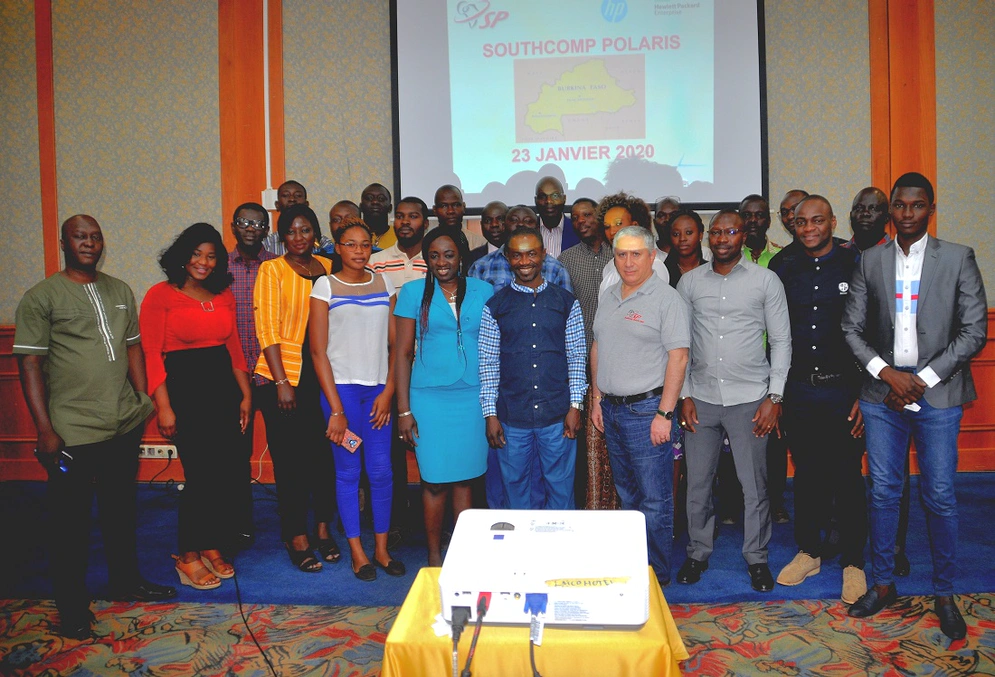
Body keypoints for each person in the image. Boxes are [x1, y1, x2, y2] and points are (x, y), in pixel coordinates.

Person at [14, 215, 175, 639]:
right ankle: (71, 607)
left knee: (121, 512)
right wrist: (44, 429)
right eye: (80, 237)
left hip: (123, 422)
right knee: (70, 525)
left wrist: (142, 401)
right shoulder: (42, 296)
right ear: (64, 242)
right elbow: (29, 362)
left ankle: (125, 580)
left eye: (95, 236)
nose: (89, 243)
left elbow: (134, 348)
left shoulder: (119, 290)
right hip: (72, 430)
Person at [843, 172, 987, 640]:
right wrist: (887, 374)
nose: (907, 214)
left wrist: (920, 380)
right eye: (900, 206)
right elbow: (852, 329)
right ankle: (883, 584)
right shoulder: (870, 260)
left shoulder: (959, 258)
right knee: (883, 491)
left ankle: (944, 592)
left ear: (930, 208)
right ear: (891, 212)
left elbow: (973, 332)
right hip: (882, 396)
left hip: (938, 395)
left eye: (916, 205)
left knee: (940, 495)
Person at [676, 209, 791, 593]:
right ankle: (698, 552)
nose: (723, 238)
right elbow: (680, 344)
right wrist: (684, 395)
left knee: (754, 486)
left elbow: (781, 342)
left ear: (744, 236)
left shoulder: (766, 280)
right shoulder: (689, 283)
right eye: (717, 232)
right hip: (701, 398)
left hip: (750, 399)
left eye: (731, 232)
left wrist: (774, 397)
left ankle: (757, 558)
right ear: (709, 237)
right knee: (697, 484)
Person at [141, 223, 253, 590]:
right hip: (184, 393)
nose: (203, 263)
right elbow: (151, 356)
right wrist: (164, 407)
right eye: (196, 254)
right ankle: (187, 555)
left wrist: (245, 394)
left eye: (211, 256)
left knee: (223, 474)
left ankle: (210, 543)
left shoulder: (222, 293)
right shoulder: (161, 295)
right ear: (183, 256)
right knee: (201, 474)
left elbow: (234, 347)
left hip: (223, 390)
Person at [772, 196, 868, 604]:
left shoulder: (855, 263)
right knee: (807, 474)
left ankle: (853, 561)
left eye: (817, 220)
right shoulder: (782, 267)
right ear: (792, 225)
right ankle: (809, 551)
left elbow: (873, 329)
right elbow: (775, 334)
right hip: (799, 390)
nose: (808, 228)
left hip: (845, 390)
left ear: (832, 222)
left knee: (848, 476)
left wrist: (866, 394)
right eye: (800, 222)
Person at [591, 225, 690, 585]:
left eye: (636, 254)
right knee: (627, 495)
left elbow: (678, 358)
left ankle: (657, 574)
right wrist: (598, 399)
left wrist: (665, 414)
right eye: (621, 254)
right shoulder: (609, 295)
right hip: (613, 411)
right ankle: (636, 567)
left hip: (648, 412)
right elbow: (599, 347)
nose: (628, 261)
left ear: (651, 256)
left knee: (655, 499)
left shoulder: (667, 300)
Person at [310, 217, 404, 582]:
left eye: (365, 244)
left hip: (378, 393)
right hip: (342, 396)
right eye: (350, 244)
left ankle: (381, 550)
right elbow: (318, 353)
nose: (359, 251)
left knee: (381, 473)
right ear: (337, 246)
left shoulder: (385, 282)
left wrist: (389, 393)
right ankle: (357, 552)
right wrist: (335, 410)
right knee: (349, 472)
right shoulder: (325, 286)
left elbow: (398, 347)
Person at [395, 226, 494, 565]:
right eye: (434, 255)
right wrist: (403, 409)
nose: (441, 262)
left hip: (473, 397)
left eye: (448, 254)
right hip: (429, 399)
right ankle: (435, 557)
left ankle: (463, 556)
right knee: (435, 481)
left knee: (466, 480)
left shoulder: (484, 291)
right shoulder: (411, 293)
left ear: (461, 256)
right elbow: (402, 352)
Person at [255, 204, 339, 573]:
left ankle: (323, 528)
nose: (299, 237)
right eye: (291, 231)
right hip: (287, 378)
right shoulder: (271, 269)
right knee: (291, 464)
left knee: (324, 460)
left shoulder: (331, 268)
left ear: (316, 234)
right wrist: (281, 382)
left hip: (326, 374)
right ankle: (296, 536)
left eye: (306, 230)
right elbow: (267, 330)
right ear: (282, 236)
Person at [480, 227, 587, 509]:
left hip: (557, 415)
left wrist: (576, 406)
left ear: (544, 254)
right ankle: (522, 552)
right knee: (515, 491)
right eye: (517, 255)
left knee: (561, 490)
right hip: (511, 417)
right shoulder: (495, 306)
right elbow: (488, 364)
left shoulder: (566, 302)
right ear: (507, 258)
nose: (524, 261)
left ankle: (560, 550)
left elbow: (577, 357)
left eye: (531, 254)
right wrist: (490, 414)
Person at [227, 202, 277, 547]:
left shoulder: (276, 267)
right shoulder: (218, 268)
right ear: (233, 226)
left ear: (266, 230)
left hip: (273, 376)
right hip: (233, 379)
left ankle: (293, 526)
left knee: (289, 454)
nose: (251, 228)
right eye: (244, 222)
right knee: (234, 457)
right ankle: (239, 524)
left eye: (258, 224)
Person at [558, 198, 612, 507]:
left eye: (587, 215)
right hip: (580, 361)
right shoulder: (566, 259)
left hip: (617, 360)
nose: (581, 222)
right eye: (575, 218)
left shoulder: (618, 253)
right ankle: (587, 502)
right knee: (584, 439)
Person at [469, 205, 573, 293]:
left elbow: (566, 309)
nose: (521, 224)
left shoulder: (556, 269)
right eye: (514, 220)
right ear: (504, 227)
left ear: (537, 228)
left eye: (528, 221)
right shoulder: (481, 267)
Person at [596, 192, 670, 292]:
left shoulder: (653, 265)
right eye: (607, 226)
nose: (612, 231)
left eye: (618, 223)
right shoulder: (609, 267)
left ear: (635, 225)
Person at [369, 196, 430, 289]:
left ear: (426, 223)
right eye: (399, 216)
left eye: (413, 216)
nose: (405, 221)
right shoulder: (374, 262)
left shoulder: (435, 261)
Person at [262, 180, 334, 255]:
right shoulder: (267, 244)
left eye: (298, 196)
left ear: (306, 204)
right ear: (277, 205)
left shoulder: (324, 244)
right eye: (286, 195)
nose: (292, 199)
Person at [534, 175, 579, 258]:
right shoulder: (529, 229)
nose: (548, 201)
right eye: (542, 196)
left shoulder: (577, 230)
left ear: (564, 198)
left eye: (555, 196)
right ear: (535, 200)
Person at [433, 184, 486, 249]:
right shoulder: (427, 241)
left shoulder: (480, 243)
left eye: (456, 205)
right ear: (435, 210)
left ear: (463, 207)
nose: (450, 211)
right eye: (444, 206)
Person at [468, 200, 508, 267]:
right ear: (481, 225)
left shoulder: (520, 254)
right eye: (488, 221)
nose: (494, 224)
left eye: (500, 219)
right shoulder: (471, 258)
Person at [361, 183, 397, 250]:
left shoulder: (399, 235)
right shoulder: (351, 235)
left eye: (381, 198)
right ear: (361, 207)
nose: (375, 202)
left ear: (390, 208)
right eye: (369, 198)